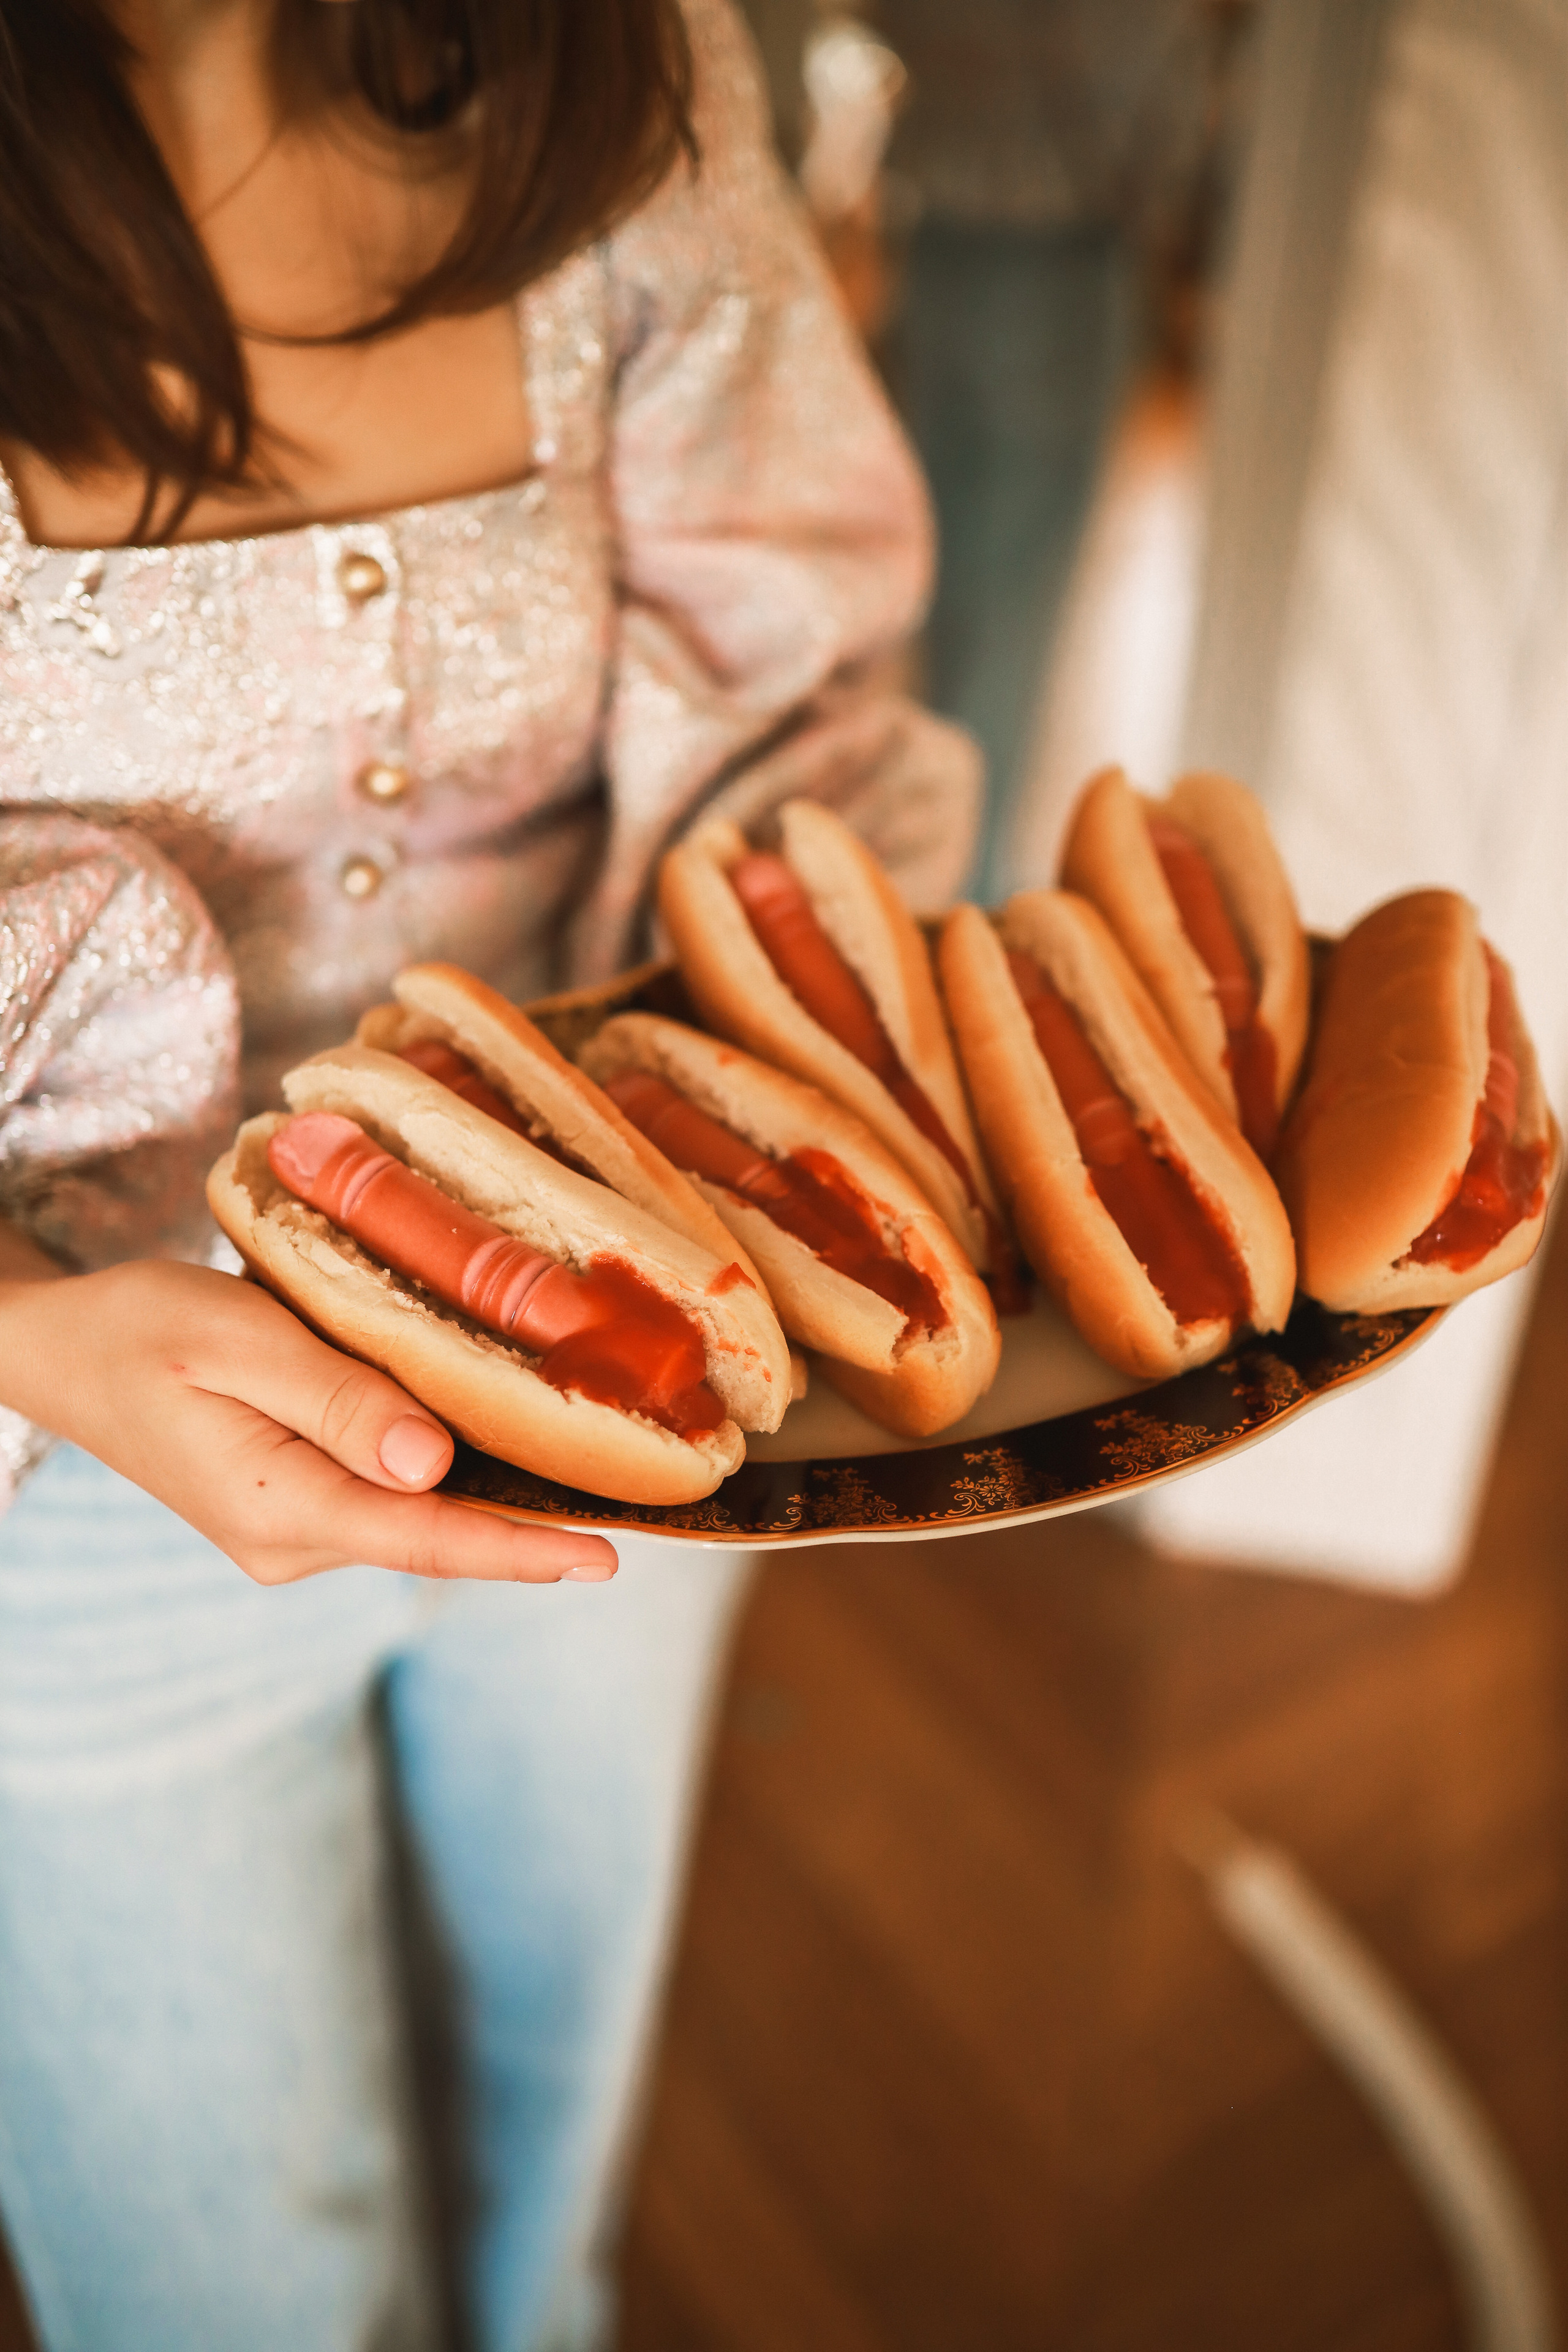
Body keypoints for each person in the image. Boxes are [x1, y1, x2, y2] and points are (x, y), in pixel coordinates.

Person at [0, 1, 978, 2345]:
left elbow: (805, 706)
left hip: (648, 1416)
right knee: (244, 2294)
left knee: (549, 2168)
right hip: (70, 1514)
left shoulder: (619, 68)